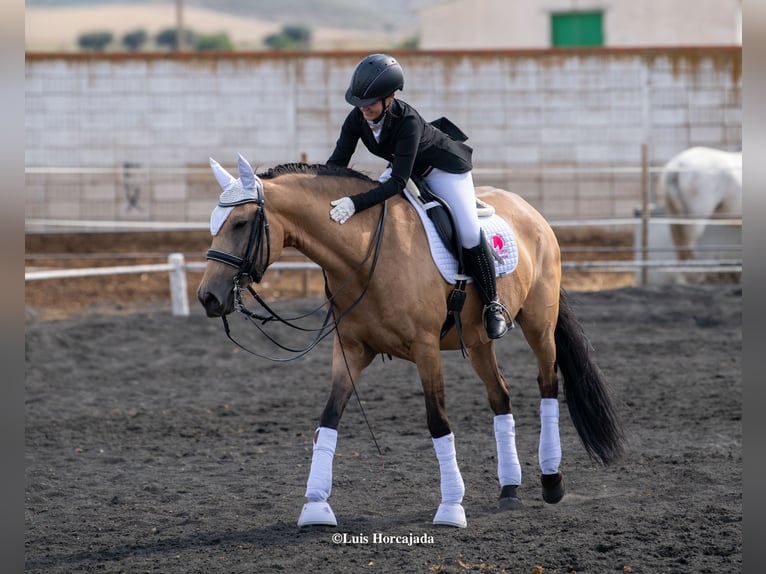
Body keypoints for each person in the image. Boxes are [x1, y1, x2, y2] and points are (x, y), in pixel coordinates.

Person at [326, 53, 508, 339]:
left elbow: (397, 183)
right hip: (406, 167)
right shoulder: (357, 118)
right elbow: (336, 163)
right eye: (359, 104)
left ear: (391, 97)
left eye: (370, 103)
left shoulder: (407, 120)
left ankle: (493, 305)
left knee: (470, 232)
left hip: (443, 170)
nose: (364, 109)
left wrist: (355, 202)